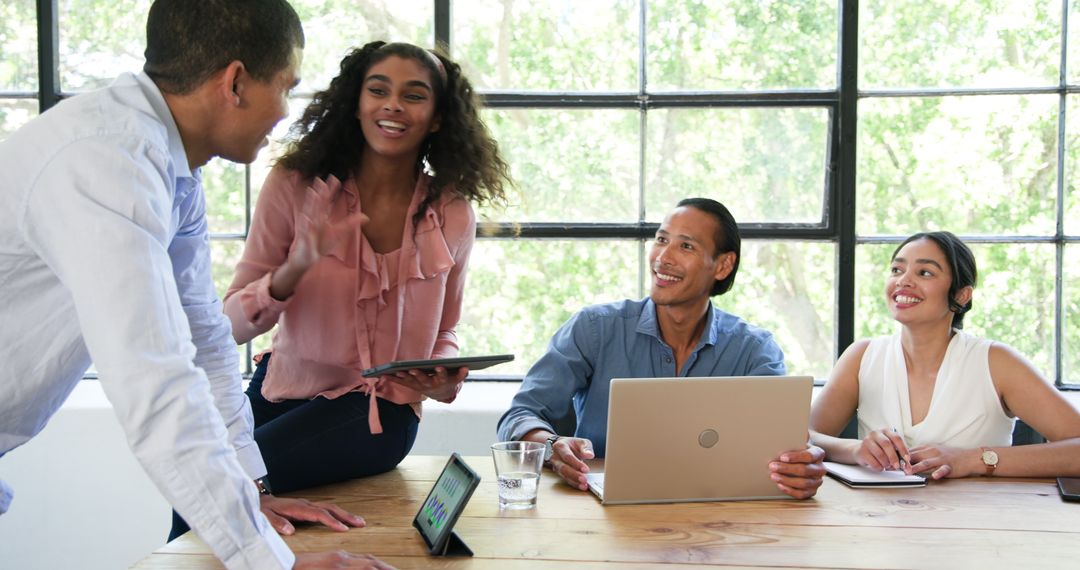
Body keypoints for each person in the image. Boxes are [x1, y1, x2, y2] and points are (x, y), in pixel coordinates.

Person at [0, 1, 392, 568]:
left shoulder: (170, 165)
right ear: (234, 82)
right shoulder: (108, 165)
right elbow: (158, 385)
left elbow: (203, 337)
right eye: (286, 87)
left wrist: (253, 493)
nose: (285, 112)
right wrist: (271, 563)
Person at [221, 41, 511, 494]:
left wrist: (442, 374)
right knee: (202, 478)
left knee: (227, 479)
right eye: (378, 90)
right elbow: (229, 325)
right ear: (356, 104)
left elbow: (445, 332)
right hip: (279, 392)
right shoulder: (293, 187)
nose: (393, 104)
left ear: (437, 117)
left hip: (379, 412)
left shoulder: (452, 212)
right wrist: (291, 271)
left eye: (414, 95)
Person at [497, 198, 826, 499]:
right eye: (661, 239)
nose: (663, 258)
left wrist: (799, 468)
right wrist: (553, 446)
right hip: (601, 516)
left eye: (686, 246)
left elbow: (782, 447)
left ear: (723, 266)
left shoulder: (754, 351)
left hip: (719, 518)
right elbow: (520, 416)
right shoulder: (595, 328)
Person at [810, 231, 1080, 479]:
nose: (903, 280)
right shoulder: (862, 356)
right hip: (880, 521)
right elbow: (802, 436)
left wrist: (973, 460)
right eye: (897, 269)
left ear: (962, 295)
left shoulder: (996, 362)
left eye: (925, 273)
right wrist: (855, 450)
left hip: (979, 524)